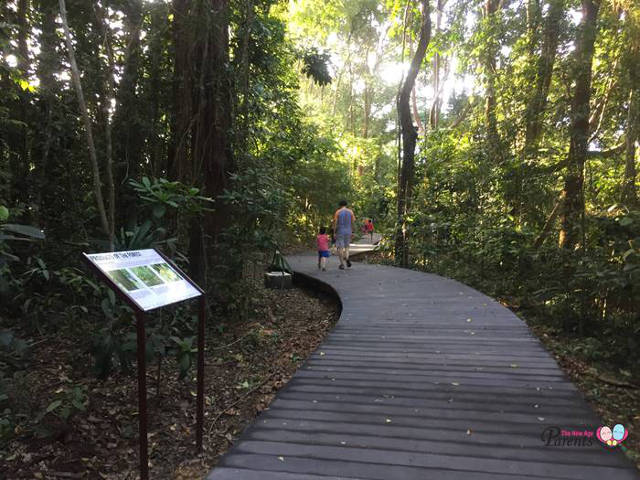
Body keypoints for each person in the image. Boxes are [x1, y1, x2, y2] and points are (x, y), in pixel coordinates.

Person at [332, 200, 355, 270]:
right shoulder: (350, 212)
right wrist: (353, 231)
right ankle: (347, 258)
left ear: (340, 205)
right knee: (347, 247)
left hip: (340, 231)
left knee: (340, 248)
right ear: (346, 205)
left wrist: (334, 232)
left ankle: (342, 264)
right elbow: (353, 222)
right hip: (348, 231)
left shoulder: (338, 212)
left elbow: (335, 223)